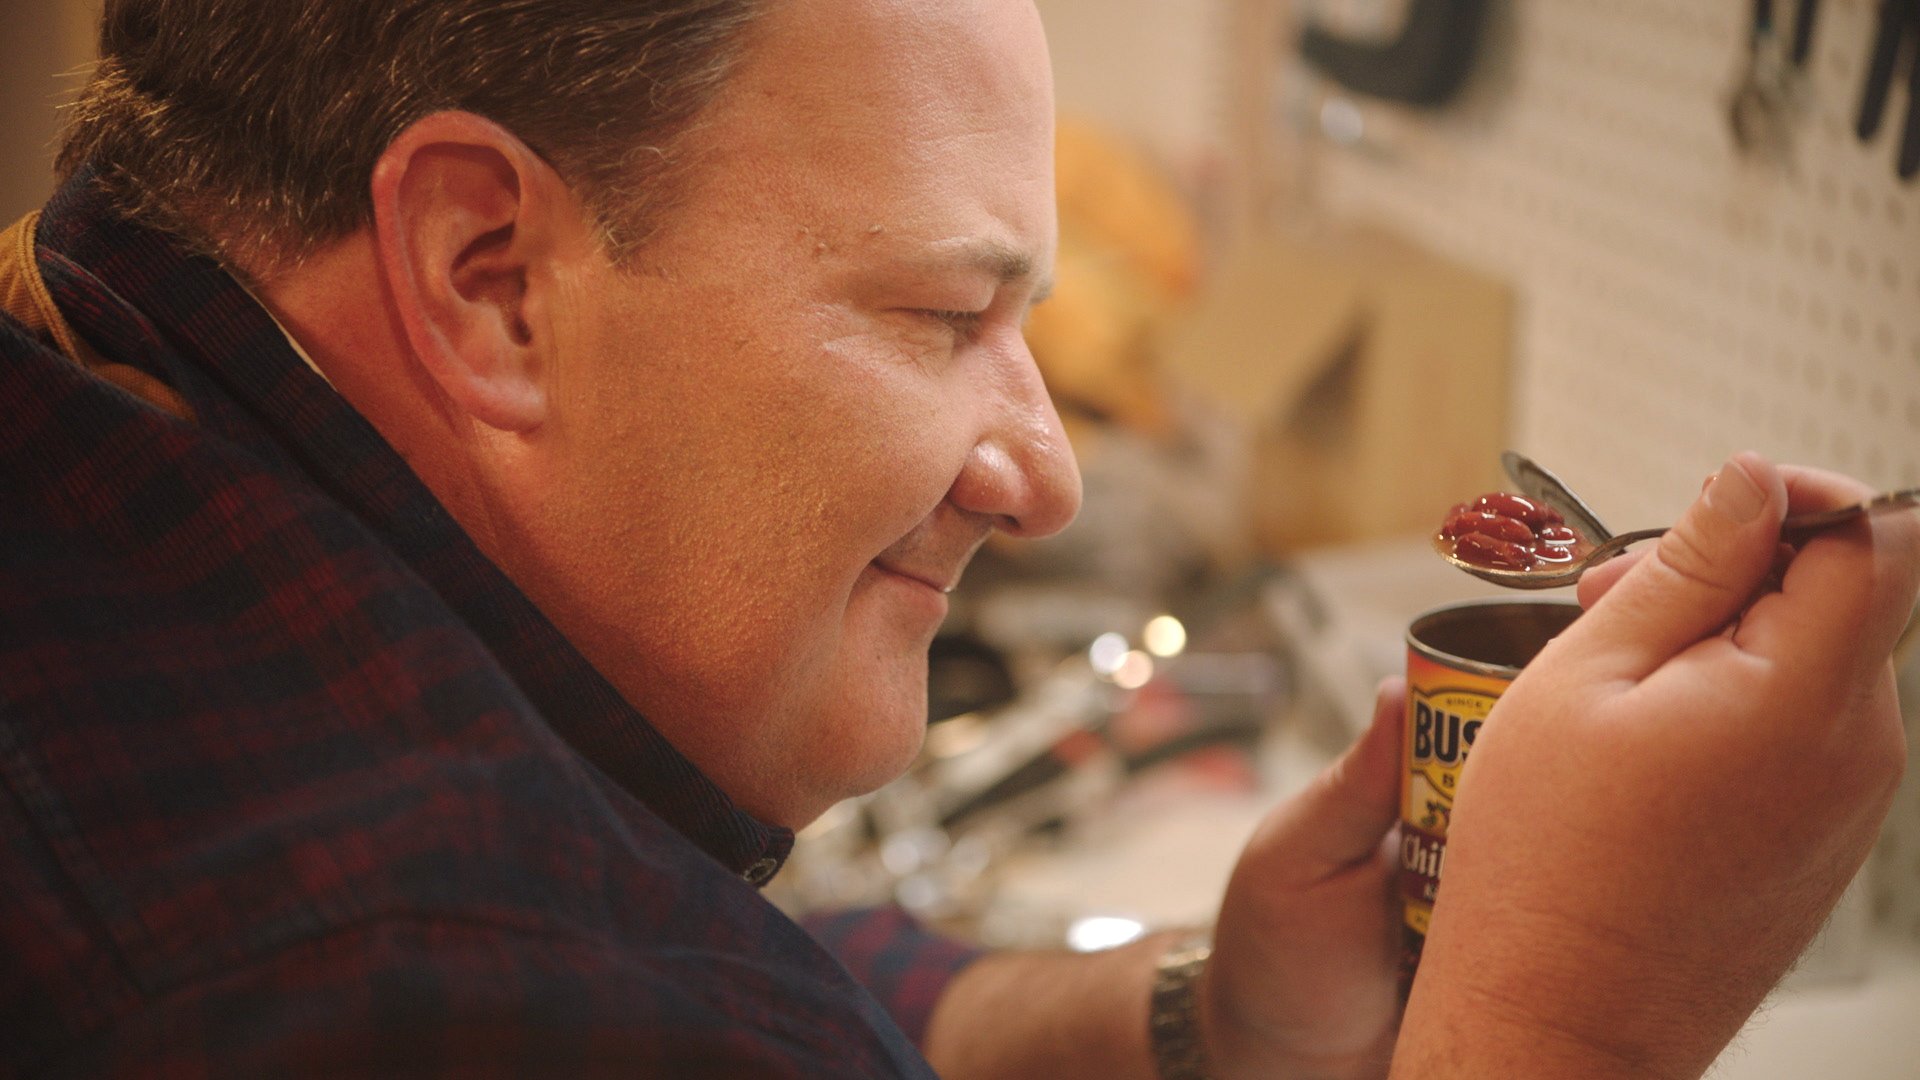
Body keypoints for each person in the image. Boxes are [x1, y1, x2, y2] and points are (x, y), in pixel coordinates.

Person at [1, 0, 1913, 1076]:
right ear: (493, 277)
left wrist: (1201, 1023)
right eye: (940, 317)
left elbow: (745, 954)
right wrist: (1571, 1003)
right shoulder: (411, 981)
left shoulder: (123, 350)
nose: (1047, 469)